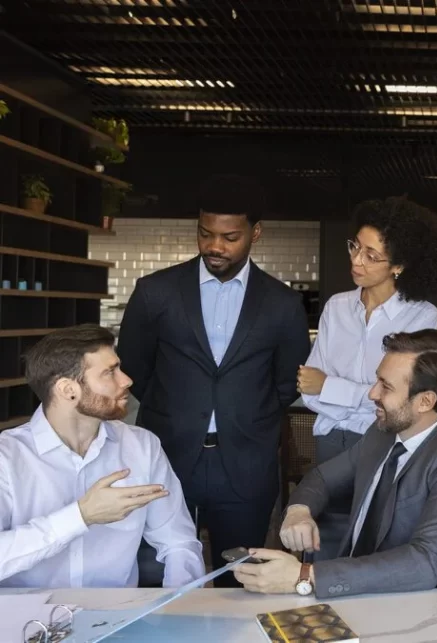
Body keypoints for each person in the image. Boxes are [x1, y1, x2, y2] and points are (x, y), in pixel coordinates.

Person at [117, 174, 311, 586]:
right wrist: (176, 408)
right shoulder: (156, 291)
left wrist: (246, 415)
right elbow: (134, 366)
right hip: (166, 456)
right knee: (156, 576)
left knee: (238, 581)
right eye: (205, 234)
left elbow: (286, 381)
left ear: (255, 234)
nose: (215, 246)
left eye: (229, 236)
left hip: (244, 463)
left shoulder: (283, 303)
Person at [233, 330, 437, 598]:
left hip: (417, 606)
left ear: (425, 401)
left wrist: (306, 576)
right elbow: (322, 478)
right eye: (377, 379)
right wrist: (298, 510)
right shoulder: (382, 433)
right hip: (352, 591)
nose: (372, 393)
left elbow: (426, 562)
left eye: (385, 386)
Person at [297, 196, 437, 560]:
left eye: (371, 255)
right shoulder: (336, 307)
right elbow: (308, 388)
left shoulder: (421, 316)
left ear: (398, 265)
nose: (356, 260)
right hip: (329, 442)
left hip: (383, 441)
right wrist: (361, 394)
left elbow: (402, 398)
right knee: (326, 543)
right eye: (355, 246)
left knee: (376, 541)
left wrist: (332, 388)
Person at [0, 325, 203, 588]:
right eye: (110, 372)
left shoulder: (142, 447)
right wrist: (81, 516)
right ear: (67, 390)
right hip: (25, 622)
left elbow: (179, 543)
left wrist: (179, 606)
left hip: (115, 619)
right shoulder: (6, 457)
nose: (126, 380)